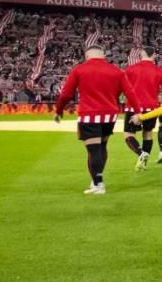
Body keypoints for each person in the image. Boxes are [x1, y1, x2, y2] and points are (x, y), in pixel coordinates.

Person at [55, 46, 140, 195]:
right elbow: (130, 92)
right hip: (110, 115)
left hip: (89, 114)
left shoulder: (79, 69)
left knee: (93, 150)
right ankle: (96, 180)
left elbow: (66, 93)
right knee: (101, 147)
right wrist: (138, 112)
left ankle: (98, 184)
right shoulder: (116, 71)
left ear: (87, 56)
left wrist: (59, 110)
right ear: (103, 55)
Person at [122, 47, 162, 171]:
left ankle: (141, 153)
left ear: (141, 55)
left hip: (133, 106)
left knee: (128, 134)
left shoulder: (130, 69)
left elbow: (123, 86)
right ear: (154, 55)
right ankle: (143, 163)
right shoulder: (159, 71)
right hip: (151, 107)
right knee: (148, 133)